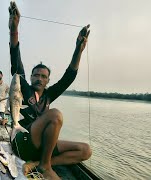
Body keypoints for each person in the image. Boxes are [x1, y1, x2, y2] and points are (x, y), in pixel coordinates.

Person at [8, 2, 92, 179]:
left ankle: (39, 164)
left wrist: (78, 48)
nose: (39, 78)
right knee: (55, 115)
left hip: (40, 145)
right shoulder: (23, 86)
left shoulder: (48, 95)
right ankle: (45, 167)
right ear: (30, 77)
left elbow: (69, 77)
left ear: (47, 81)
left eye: (43, 76)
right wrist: (14, 28)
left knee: (85, 150)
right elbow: (15, 56)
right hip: (23, 141)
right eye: (36, 75)